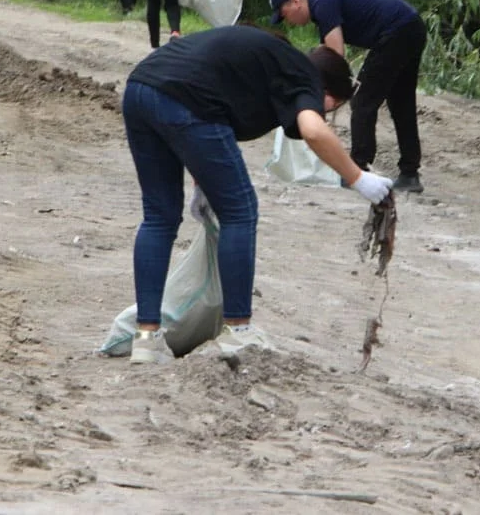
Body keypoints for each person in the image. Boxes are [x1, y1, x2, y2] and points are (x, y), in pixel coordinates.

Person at [122, 25, 393, 363]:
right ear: (328, 92)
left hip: (140, 88)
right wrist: (358, 178)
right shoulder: (303, 75)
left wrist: (202, 182)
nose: (326, 111)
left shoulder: (269, 63)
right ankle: (238, 332)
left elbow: (205, 85)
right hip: (185, 98)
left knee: (159, 217)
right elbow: (312, 131)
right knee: (240, 211)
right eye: (332, 106)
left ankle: (147, 339)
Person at [270, 0, 428, 193]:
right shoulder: (324, 1)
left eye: (284, 14)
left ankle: (358, 167)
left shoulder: (322, 3)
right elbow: (327, 52)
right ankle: (409, 174)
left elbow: (336, 55)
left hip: (397, 32)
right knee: (402, 103)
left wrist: (321, 92)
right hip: (412, 27)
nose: (287, 21)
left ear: (295, 2)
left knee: (362, 100)